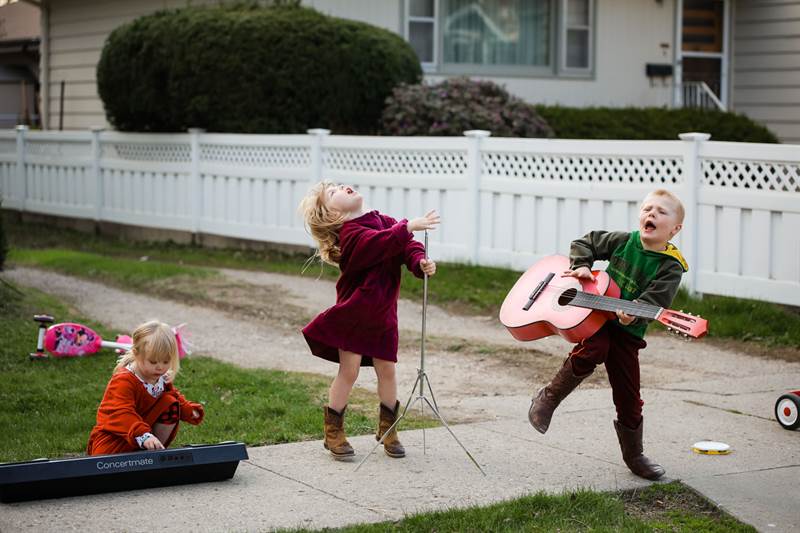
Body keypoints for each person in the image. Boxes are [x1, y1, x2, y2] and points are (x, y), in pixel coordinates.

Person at [528, 189, 687, 480]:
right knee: (594, 349)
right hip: (597, 318)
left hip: (628, 333)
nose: (651, 214)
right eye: (647, 209)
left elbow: (657, 299)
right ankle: (549, 397)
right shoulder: (624, 241)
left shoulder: (671, 267)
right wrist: (582, 266)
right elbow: (584, 243)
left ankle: (634, 455)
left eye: (661, 212)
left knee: (628, 395)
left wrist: (636, 310)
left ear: (675, 229)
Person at [299, 181, 439, 460]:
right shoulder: (350, 234)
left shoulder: (382, 221)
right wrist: (406, 227)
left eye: (341, 185)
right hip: (355, 314)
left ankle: (388, 429)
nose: (343, 187)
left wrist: (419, 261)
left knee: (387, 371)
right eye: (333, 192)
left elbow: (404, 247)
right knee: (348, 372)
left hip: (383, 315)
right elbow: (376, 245)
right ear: (333, 215)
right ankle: (333, 431)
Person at [87, 320, 204, 455]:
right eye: (153, 361)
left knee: (170, 401)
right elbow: (121, 412)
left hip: (143, 435)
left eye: (166, 361)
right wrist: (143, 435)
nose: (160, 367)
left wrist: (188, 410)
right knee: (108, 462)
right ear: (137, 354)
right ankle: (144, 450)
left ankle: (155, 453)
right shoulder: (124, 380)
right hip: (116, 439)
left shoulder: (159, 376)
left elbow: (173, 394)